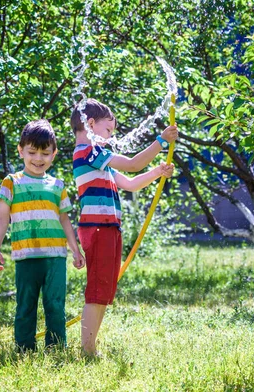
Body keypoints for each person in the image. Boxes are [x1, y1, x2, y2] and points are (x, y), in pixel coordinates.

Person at [71, 98, 178, 355]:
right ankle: (87, 349)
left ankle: (90, 346)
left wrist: (156, 173)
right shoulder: (89, 152)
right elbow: (131, 163)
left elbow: (129, 182)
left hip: (107, 228)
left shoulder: (99, 160)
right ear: (91, 123)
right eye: (108, 131)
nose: (110, 137)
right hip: (98, 228)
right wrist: (161, 142)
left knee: (103, 290)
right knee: (97, 290)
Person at [0, 119, 85, 352]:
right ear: (21, 150)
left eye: (45, 153)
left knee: (55, 304)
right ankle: (24, 348)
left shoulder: (57, 185)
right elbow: (2, 217)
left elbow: (64, 219)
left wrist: (75, 249)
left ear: (53, 154)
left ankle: (56, 347)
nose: (38, 159)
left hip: (55, 257)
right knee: (26, 305)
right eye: (32, 152)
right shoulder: (12, 182)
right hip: (25, 256)